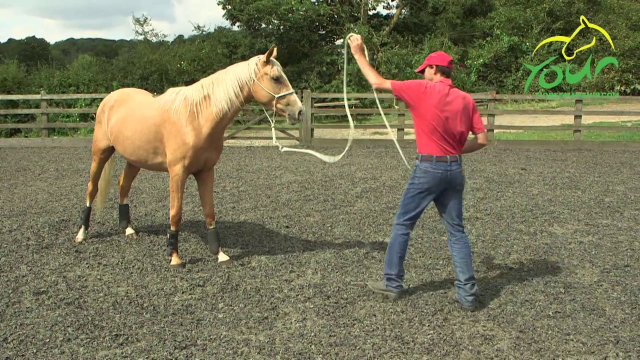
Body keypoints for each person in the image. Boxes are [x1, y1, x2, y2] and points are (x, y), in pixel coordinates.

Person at [347, 34, 488, 311]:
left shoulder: (421, 90)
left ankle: (392, 282)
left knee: (403, 224)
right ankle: (468, 295)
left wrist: (358, 53)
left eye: (425, 70)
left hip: (428, 168)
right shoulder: (465, 99)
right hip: (454, 169)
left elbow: (376, 82)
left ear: (435, 70)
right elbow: (482, 140)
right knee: (457, 232)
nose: (423, 74)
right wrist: (456, 151)